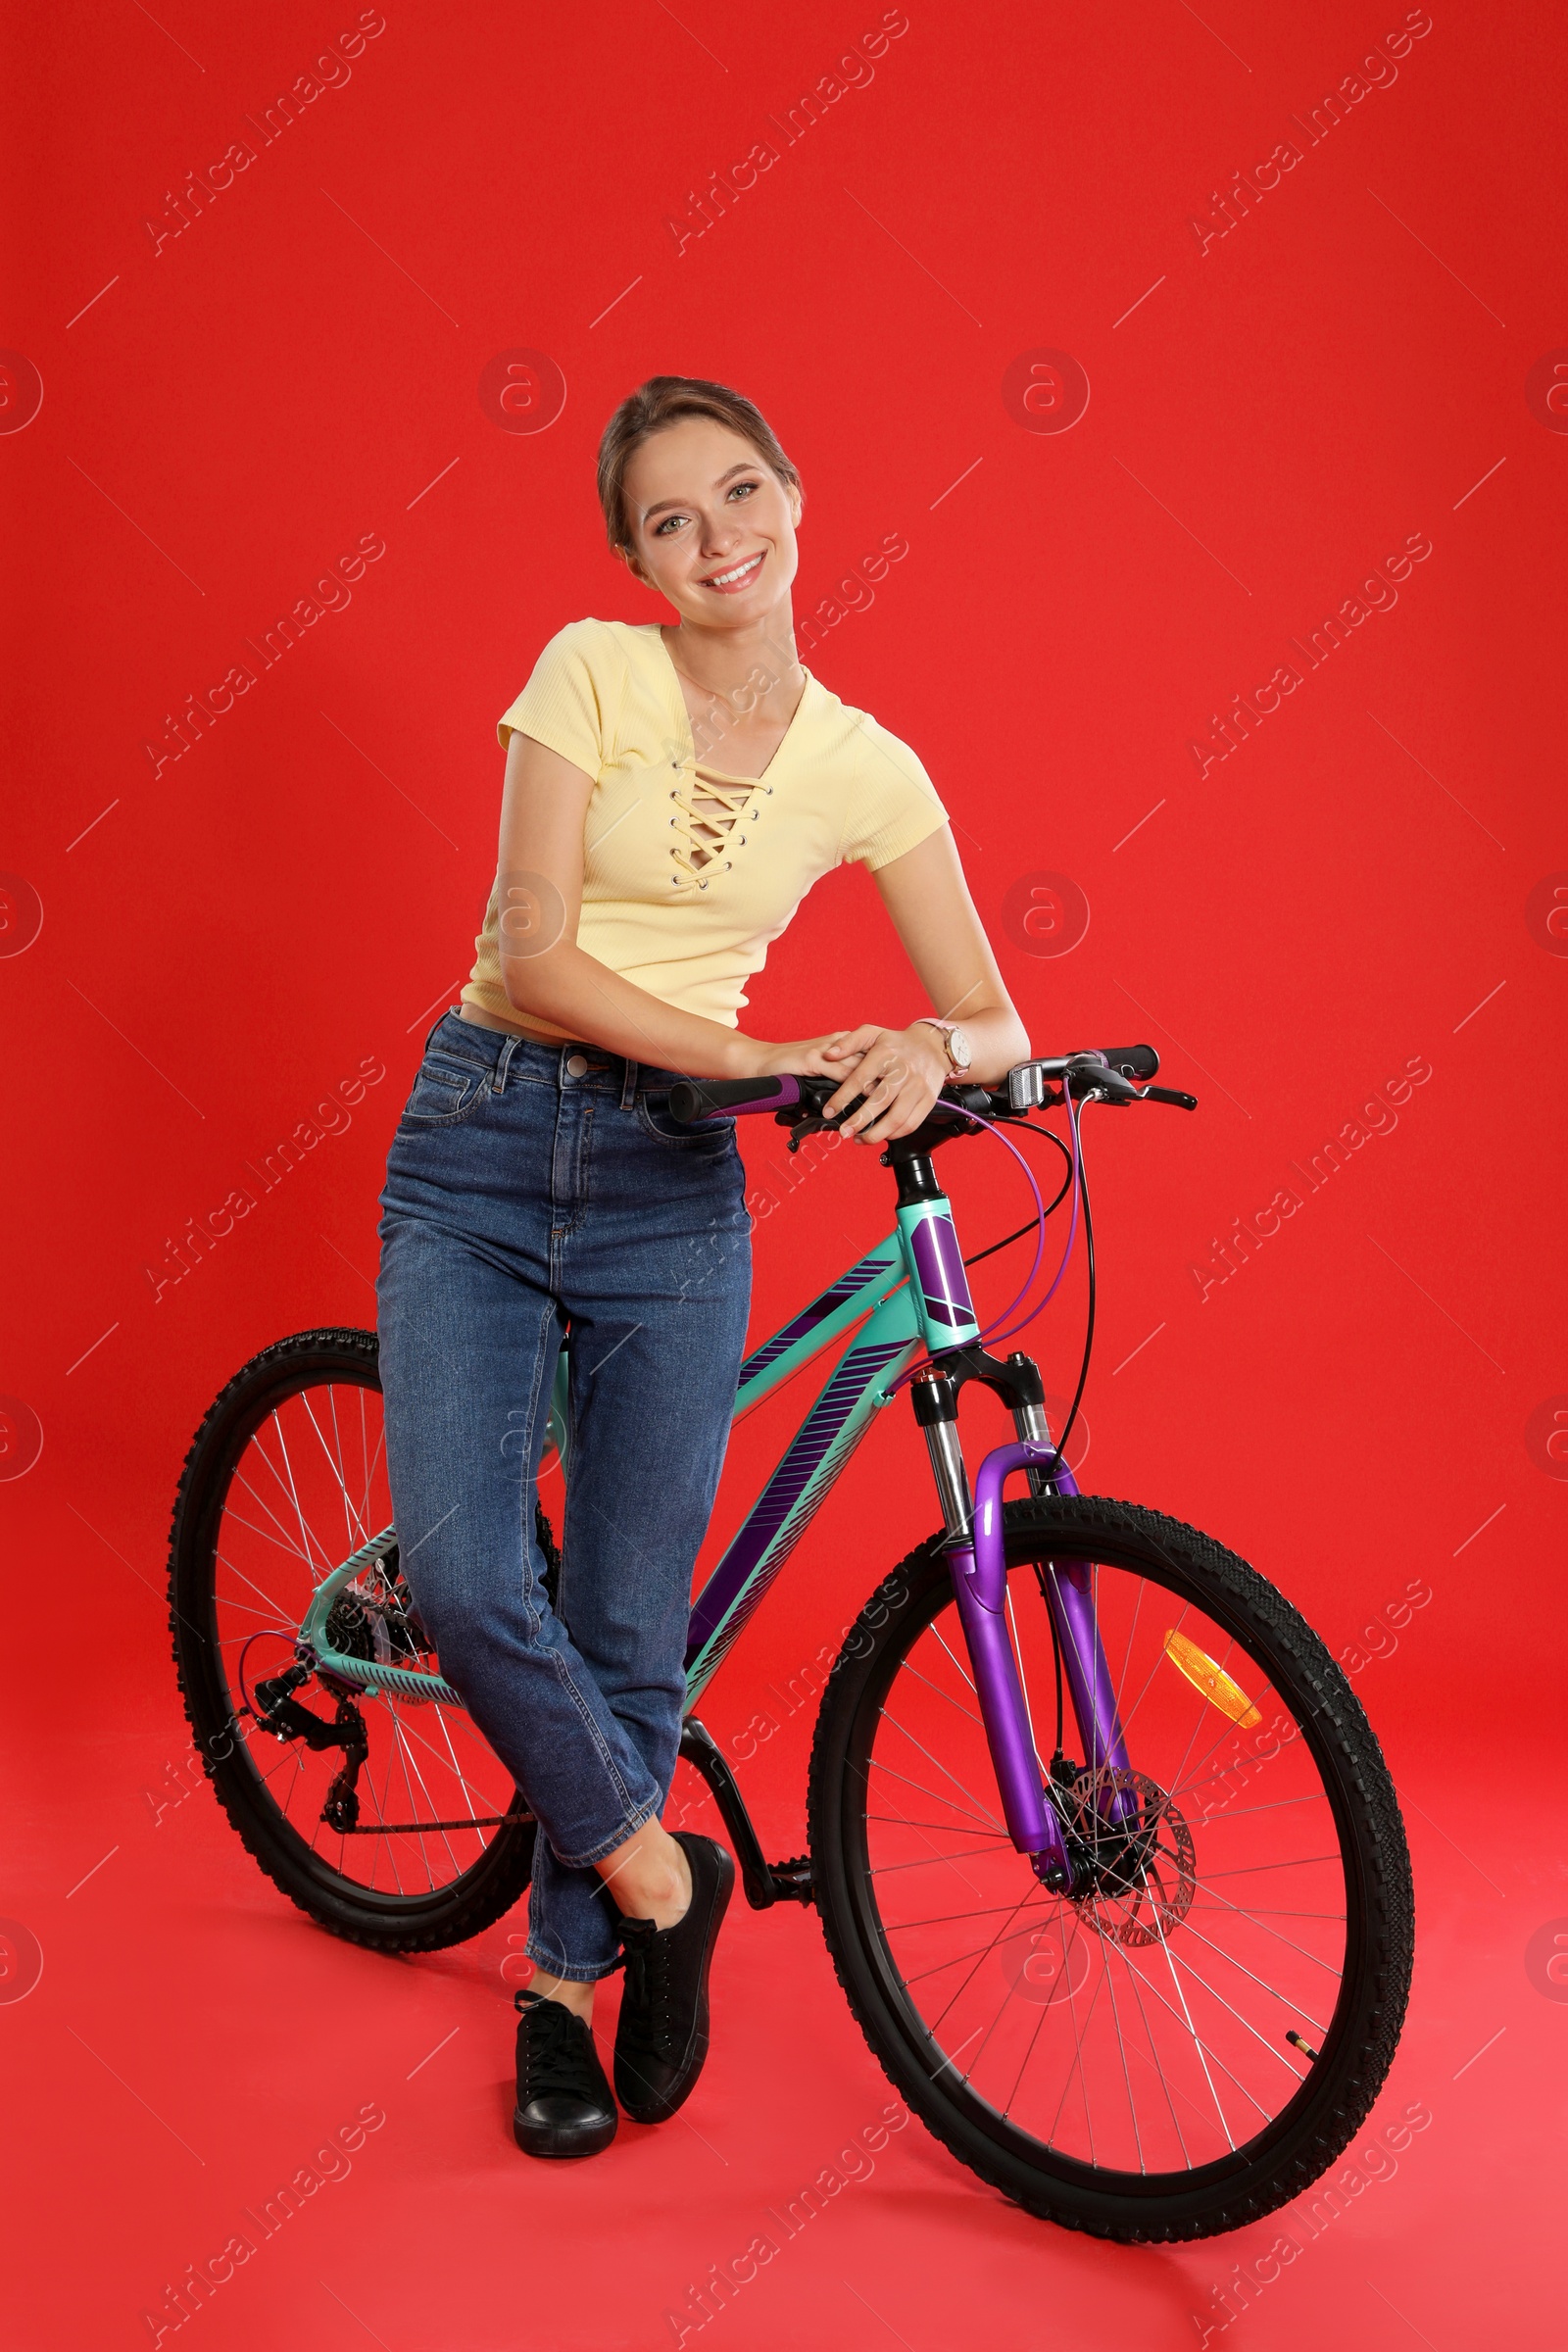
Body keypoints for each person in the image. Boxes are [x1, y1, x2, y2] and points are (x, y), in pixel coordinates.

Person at [375, 374, 1029, 2158]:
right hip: (490, 1137)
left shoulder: (866, 766)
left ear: (799, 497)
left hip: (677, 1190)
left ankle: (559, 1995)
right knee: (461, 1573)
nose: (719, 538)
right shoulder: (589, 669)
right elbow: (536, 945)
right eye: (673, 520)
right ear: (638, 559)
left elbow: (993, 1013)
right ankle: (667, 1885)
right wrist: (770, 1059)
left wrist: (922, 1050)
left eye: (741, 494)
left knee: (629, 1618)